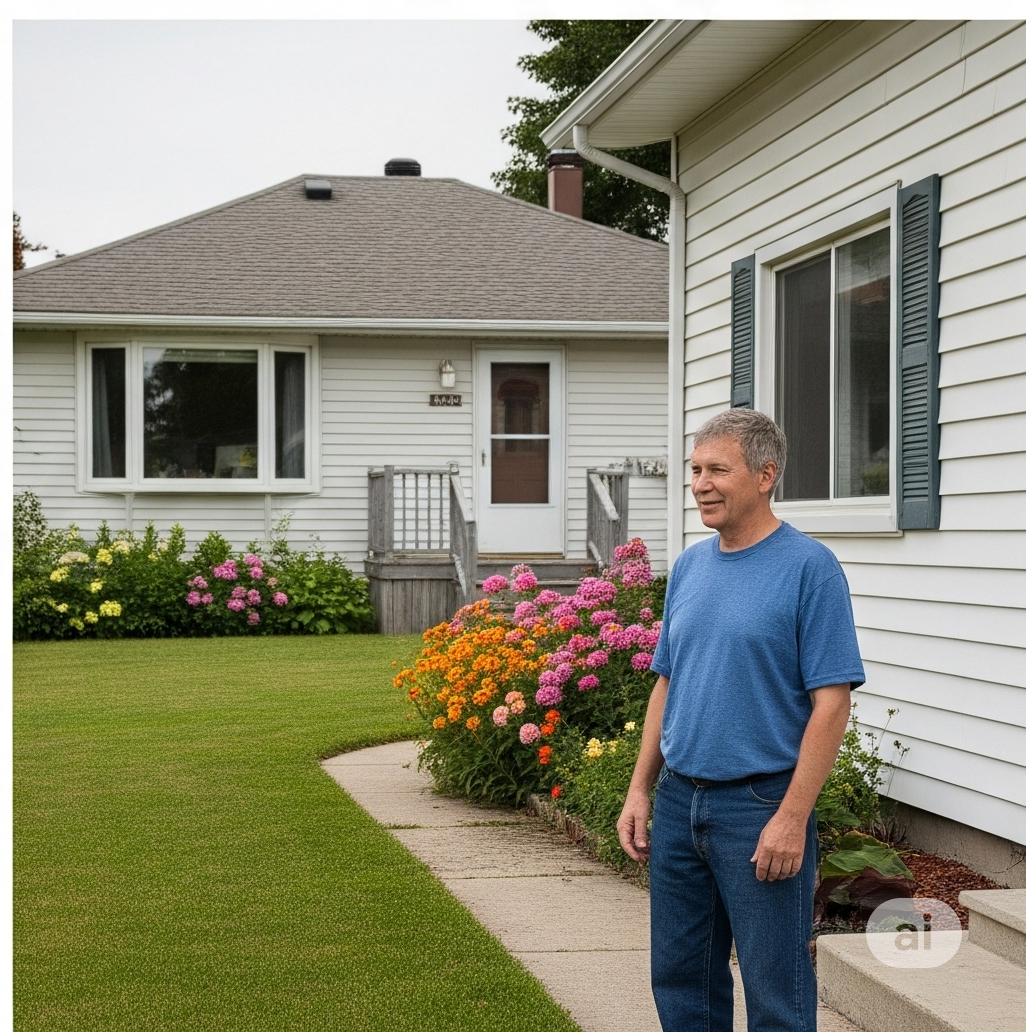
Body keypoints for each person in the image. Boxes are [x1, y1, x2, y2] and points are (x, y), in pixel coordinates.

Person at [617, 408, 865, 1032]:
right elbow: (666, 682)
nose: (700, 483)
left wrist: (791, 816)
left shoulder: (810, 569)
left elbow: (832, 703)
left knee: (775, 990)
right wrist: (641, 787)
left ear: (765, 474)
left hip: (759, 807)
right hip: (679, 802)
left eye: (717, 470)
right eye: (695, 470)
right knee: (682, 982)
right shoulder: (691, 568)